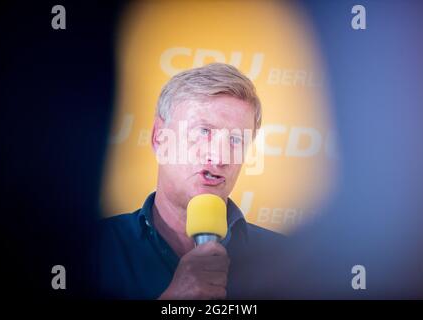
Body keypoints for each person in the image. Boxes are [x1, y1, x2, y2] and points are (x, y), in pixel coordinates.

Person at [98, 63, 288, 299]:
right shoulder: (93, 249)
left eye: (236, 140)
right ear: (159, 139)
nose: (220, 157)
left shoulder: (286, 260)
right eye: (204, 131)